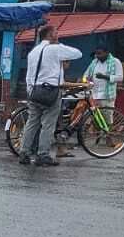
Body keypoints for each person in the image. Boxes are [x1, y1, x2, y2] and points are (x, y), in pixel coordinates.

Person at [21, 25, 82, 167]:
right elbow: (77, 53)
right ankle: (43, 154)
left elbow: (29, 75)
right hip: (51, 91)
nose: (58, 34)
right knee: (48, 124)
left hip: (34, 91)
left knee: (32, 122)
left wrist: (30, 91)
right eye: (56, 32)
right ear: (50, 35)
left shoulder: (33, 52)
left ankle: (24, 152)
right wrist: (59, 44)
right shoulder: (55, 49)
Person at [82, 47, 123, 114]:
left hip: (107, 96)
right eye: (96, 54)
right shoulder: (94, 62)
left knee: (107, 118)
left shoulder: (115, 62)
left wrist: (104, 77)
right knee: (94, 117)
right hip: (94, 95)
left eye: (100, 53)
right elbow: (85, 75)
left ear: (107, 53)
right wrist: (86, 81)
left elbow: (120, 78)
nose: (97, 56)